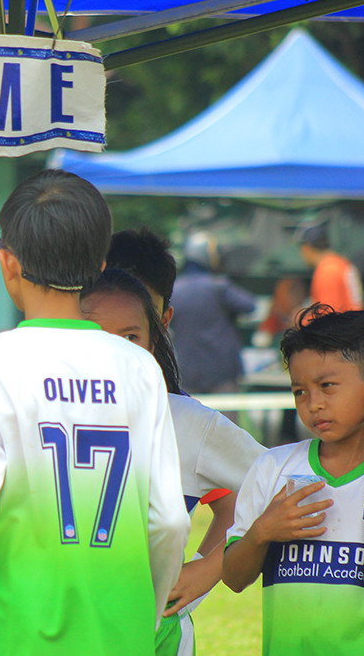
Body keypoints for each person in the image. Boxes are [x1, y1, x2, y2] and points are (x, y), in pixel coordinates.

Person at [0, 170, 190, 656]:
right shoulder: (139, 365)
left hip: (23, 632)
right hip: (123, 631)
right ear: (98, 265)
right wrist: (145, 610)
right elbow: (171, 523)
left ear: (7, 262)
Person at [81, 268, 265, 656]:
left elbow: (282, 485)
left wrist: (210, 566)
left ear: (152, 343)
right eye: (97, 336)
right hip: (55, 633)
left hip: (155, 640)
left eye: (131, 337)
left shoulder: (186, 422)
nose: (117, 352)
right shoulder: (34, 414)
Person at [223, 304, 364, 655]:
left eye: (327, 385)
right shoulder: (273, 467)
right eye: (299, 391)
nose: (313, 404)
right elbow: (233, 578)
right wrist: (262, 532)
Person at [169, 231, 256, 396]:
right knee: (224, 422)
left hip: (186, 371)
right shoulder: (219, 286)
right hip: (221, 372)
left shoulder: (174, 289)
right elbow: (249, 305)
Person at [298, 222, 364, 312]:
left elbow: (328, 315)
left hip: (346, 324)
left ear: (306, 248)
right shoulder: (339, 263)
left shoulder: (328, 271)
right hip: (354, 322)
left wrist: (300, 320)